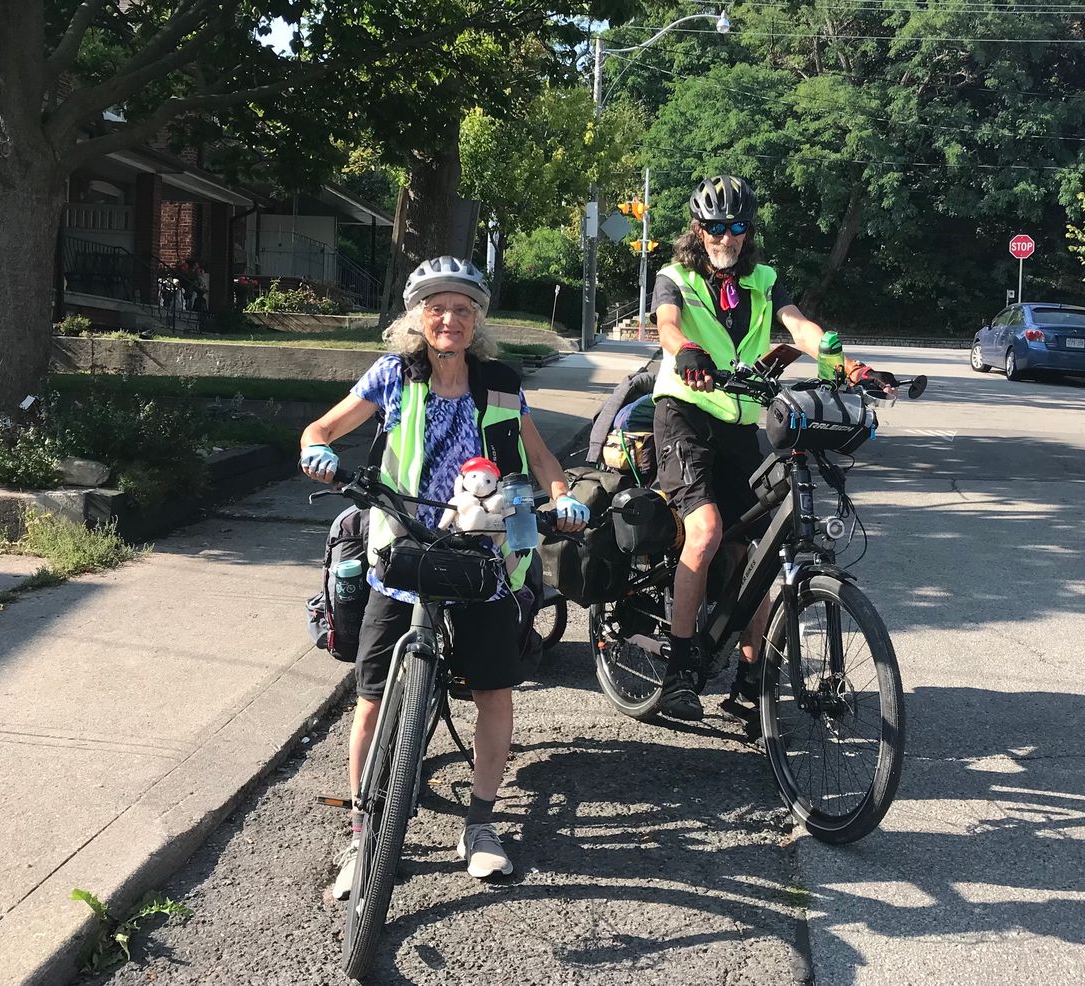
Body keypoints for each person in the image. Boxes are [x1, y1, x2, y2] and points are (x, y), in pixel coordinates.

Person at [299, 256, 589, 894]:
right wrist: (316, 448)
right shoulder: (392, 376)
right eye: (437, 307)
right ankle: (362, 835)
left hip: (485, 557)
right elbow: (324, 425)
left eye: (462, 308)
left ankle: (481, 826)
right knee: (371, 697)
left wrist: (563, 495)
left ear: (477, 320)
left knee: (494, 692)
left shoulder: (500, 381)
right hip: (403, 549)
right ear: (418, 317)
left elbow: (540, 457)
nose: (449, 319)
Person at [650, 175, 895, 720]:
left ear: (748, 232)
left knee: (764, 549)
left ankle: (750, 675)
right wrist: (687, 350)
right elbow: (667, 325)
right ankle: (680, 670)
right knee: (707, 529)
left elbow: (799, 327)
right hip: (684, 414)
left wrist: (845, 364)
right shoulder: (676, 277)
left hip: (738, 424)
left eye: (737, 227)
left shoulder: (763, 279)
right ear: (699, 229)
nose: (726, 237)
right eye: (716, 227)